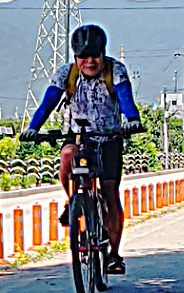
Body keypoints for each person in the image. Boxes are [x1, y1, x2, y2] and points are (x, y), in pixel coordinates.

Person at [20, 24, 143, 275]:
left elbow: (125, 97)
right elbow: (47, 103)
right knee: (67, 154)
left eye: (94, 56)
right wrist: (33, 127)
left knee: (110, 194)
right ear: (75, 57)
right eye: (83, 56)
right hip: (76, 136)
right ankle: (73, 199)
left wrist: (132, 119)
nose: (89, 61)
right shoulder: (66, 74)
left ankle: (114, 254)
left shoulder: (115, 70)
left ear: (103, 54)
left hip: (109, 138)